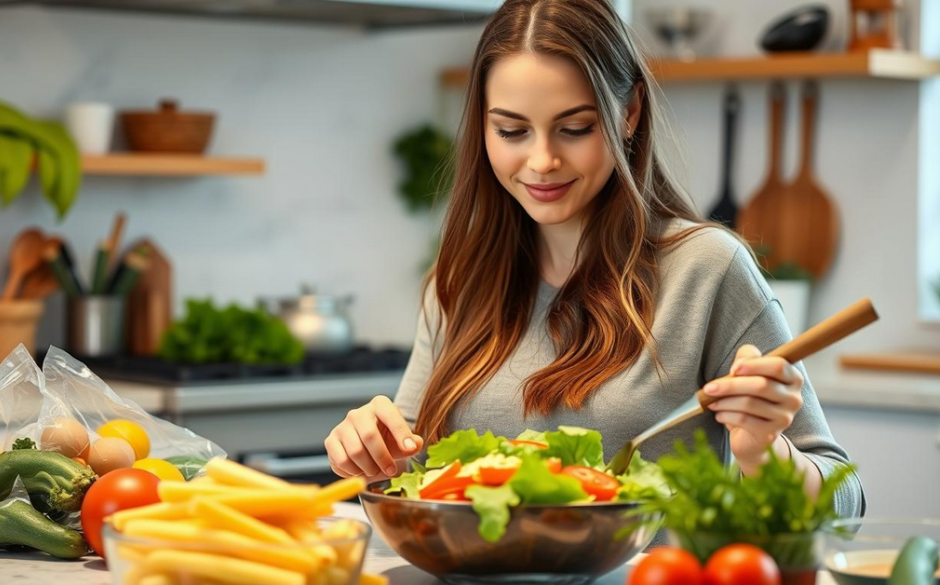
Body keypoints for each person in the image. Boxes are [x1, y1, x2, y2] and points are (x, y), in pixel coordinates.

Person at [325, 0, 863, 518]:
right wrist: (372, 451)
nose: (541, 161)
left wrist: (765, 452)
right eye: (511, 131)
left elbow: (846, 502)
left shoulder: (706, 268)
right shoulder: (458, 280)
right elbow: (409, 476)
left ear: (627, 112)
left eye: (575, 127)